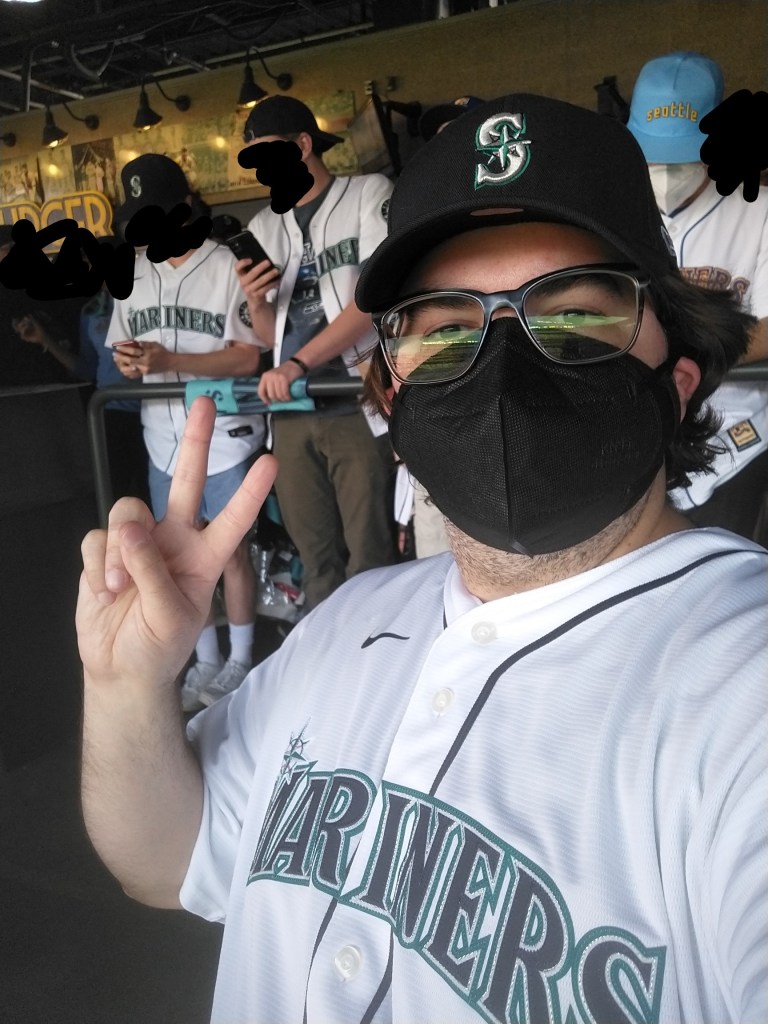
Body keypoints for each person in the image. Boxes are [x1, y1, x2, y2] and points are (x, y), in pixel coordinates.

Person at [78, 94, 767, 1024]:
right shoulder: (343, 626)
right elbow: (163, 863)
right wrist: (124, 689)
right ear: (389, 396)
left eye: (571, 318)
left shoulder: (742, 692)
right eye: (445, 328)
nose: (504, 362)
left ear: (678, 384)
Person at [107, 153, 268, 710]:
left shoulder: (228, 265)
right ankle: (203, 660)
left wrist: (169, 358)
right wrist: (134, 363)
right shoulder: (131, 272)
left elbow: (250, 358)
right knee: (177, 553)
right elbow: (125, 351)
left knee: (229, 555)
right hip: (160, 438)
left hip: (224, 432)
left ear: (187, 206)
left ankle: (242, 658)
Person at [237, 95, 397, 610]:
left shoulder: (368, 193)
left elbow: (375, 299)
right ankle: (328, 669)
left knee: (369, 555)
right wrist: (255, 300)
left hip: (356, 396)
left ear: (303, 145)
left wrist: (298, 363)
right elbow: (267, 334)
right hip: (292, 408)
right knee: (315, 555)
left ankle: (380, 664)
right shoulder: (264, 226)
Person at [627, 51, 768, 540]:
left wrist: (669, 351)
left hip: (741, 428)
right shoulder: (618, 212)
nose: (665, 170)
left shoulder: (760, 210)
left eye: (683, 154)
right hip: (638, 424)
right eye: (654, 154)